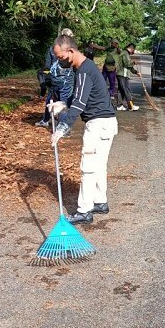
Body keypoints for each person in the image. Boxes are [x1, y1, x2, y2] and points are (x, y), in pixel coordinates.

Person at [50, 33, 118, 225]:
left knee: (88, 167)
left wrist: (62, 128)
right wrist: (63, 104)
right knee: (99, 165)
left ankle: (84, 211)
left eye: (61, 57)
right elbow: (80, 97)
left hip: (98, 125)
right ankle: (100, 201)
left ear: (71, 51)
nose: (60, 61)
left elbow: (79, 104)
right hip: (107, 123)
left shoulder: (84, 70)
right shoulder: (86, 67)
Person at [36, 28, 76, 128]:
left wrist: (47, 78)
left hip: (54, 80)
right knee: (64, 103)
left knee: (50, 99)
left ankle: (46, 120)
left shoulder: (53, 49)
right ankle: (62, 127)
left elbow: (47, 67)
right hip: (68, 80)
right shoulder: (73, 49)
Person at [114, 41, 140, 111]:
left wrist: (136, 72)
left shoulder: (125, 53)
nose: (134, 51)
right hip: (123, 75)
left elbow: (128, 65)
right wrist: (133, 62)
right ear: (131, 48)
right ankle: (130, 106)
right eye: (134, 49)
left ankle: (119, 105)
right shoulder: (125, 53)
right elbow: (127, 64)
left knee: (121, 90)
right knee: (126, 90)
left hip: (120, 74)